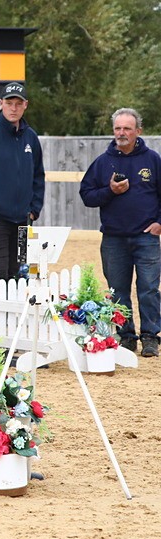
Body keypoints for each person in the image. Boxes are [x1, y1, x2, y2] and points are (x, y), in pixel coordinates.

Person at [79, 108, 161, 357]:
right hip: (113, 238)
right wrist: (109, 191)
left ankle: (150, 337)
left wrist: (160, 222)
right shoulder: (103, 163)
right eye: (118, 128)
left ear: (139, 131)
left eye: (127, 128)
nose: (122, 133)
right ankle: (126, 337)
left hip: (146, 237)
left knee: (148, 289)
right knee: (117, 291)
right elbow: (87, 195)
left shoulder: (152, 160)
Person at [0, 82, 45, 281]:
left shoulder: (31, 137)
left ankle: (14, 314)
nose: (13, 108)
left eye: (18, 104)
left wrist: (34, 208)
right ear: (1, 103)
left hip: (23, 221)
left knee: (19, 273)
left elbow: (38, 174)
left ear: (25, 105)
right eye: (9, 103)